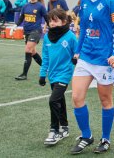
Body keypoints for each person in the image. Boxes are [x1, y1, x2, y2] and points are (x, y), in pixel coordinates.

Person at [70, 0, 114, 154]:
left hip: (104, 60)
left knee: (105, 100)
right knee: (76, 97)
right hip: (85, 57)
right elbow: (84, 27)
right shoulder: (84, 1)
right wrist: (77, 51)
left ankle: (106, 139)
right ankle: (86, 135)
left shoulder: (111, 2)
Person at [39, 8, 77, 145]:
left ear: (64, 21)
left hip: (64, 74)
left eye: (55, 20)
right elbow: (46, 57)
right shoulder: (48, 37)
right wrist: (43, 75)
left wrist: (75, 60)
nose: (52, 23)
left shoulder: (71, 36)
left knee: (53, 100)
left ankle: (54, 130)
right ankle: (65, 127)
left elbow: (78, 52)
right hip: (52, 75)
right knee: (59, 100)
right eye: (50, 20)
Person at [14, 0, 48, 80]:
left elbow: (47, 18)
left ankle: (24, 74)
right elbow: (21, 18)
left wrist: (50, 28)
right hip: (27, 32)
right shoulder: (25, 6)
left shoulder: (40, 6)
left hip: (36, 31)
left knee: (28, 50)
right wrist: (15, 26)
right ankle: (47, 69)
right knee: (32, 52)